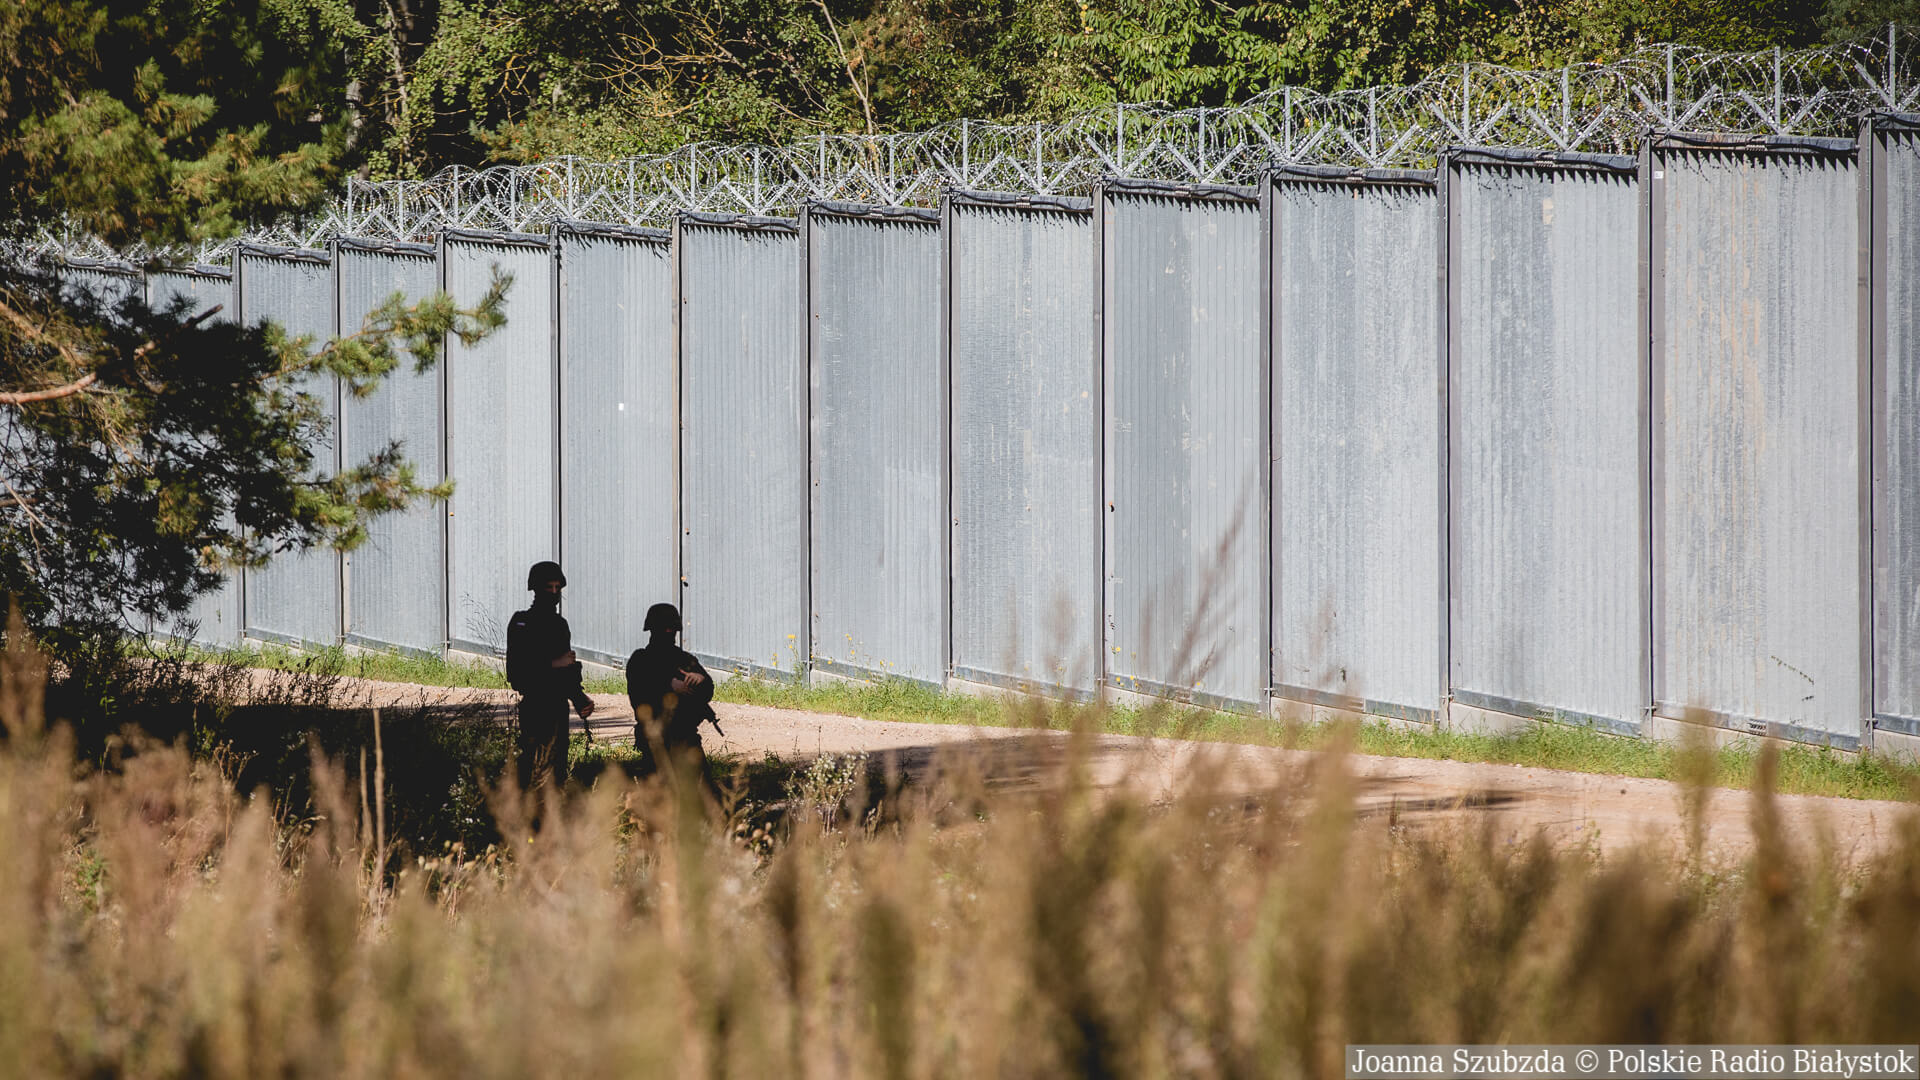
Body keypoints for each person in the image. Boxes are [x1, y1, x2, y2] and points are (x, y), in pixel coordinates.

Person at [505, 560, 595, 795]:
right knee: (534, 770)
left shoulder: (559, 625)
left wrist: (579, 698)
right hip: (535, 706)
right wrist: (554, 663)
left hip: (557, 708)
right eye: (549, 588)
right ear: (536, 588)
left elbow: (566, 672)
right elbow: (516, 673)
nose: (554, 593)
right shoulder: (521, 623)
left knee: (556, 774)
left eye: (558, 588)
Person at [624, 602, 720, 789]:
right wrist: (669, 686)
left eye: (672, 629)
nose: (670, 633)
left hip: (685, 736)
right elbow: (638, 693)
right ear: (652, 629)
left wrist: (701, 680)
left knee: (703, 792)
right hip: (655, 739)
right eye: (665, 629)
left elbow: (707, 691)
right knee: (660, 796)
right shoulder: (641, 659)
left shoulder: (684, 659)